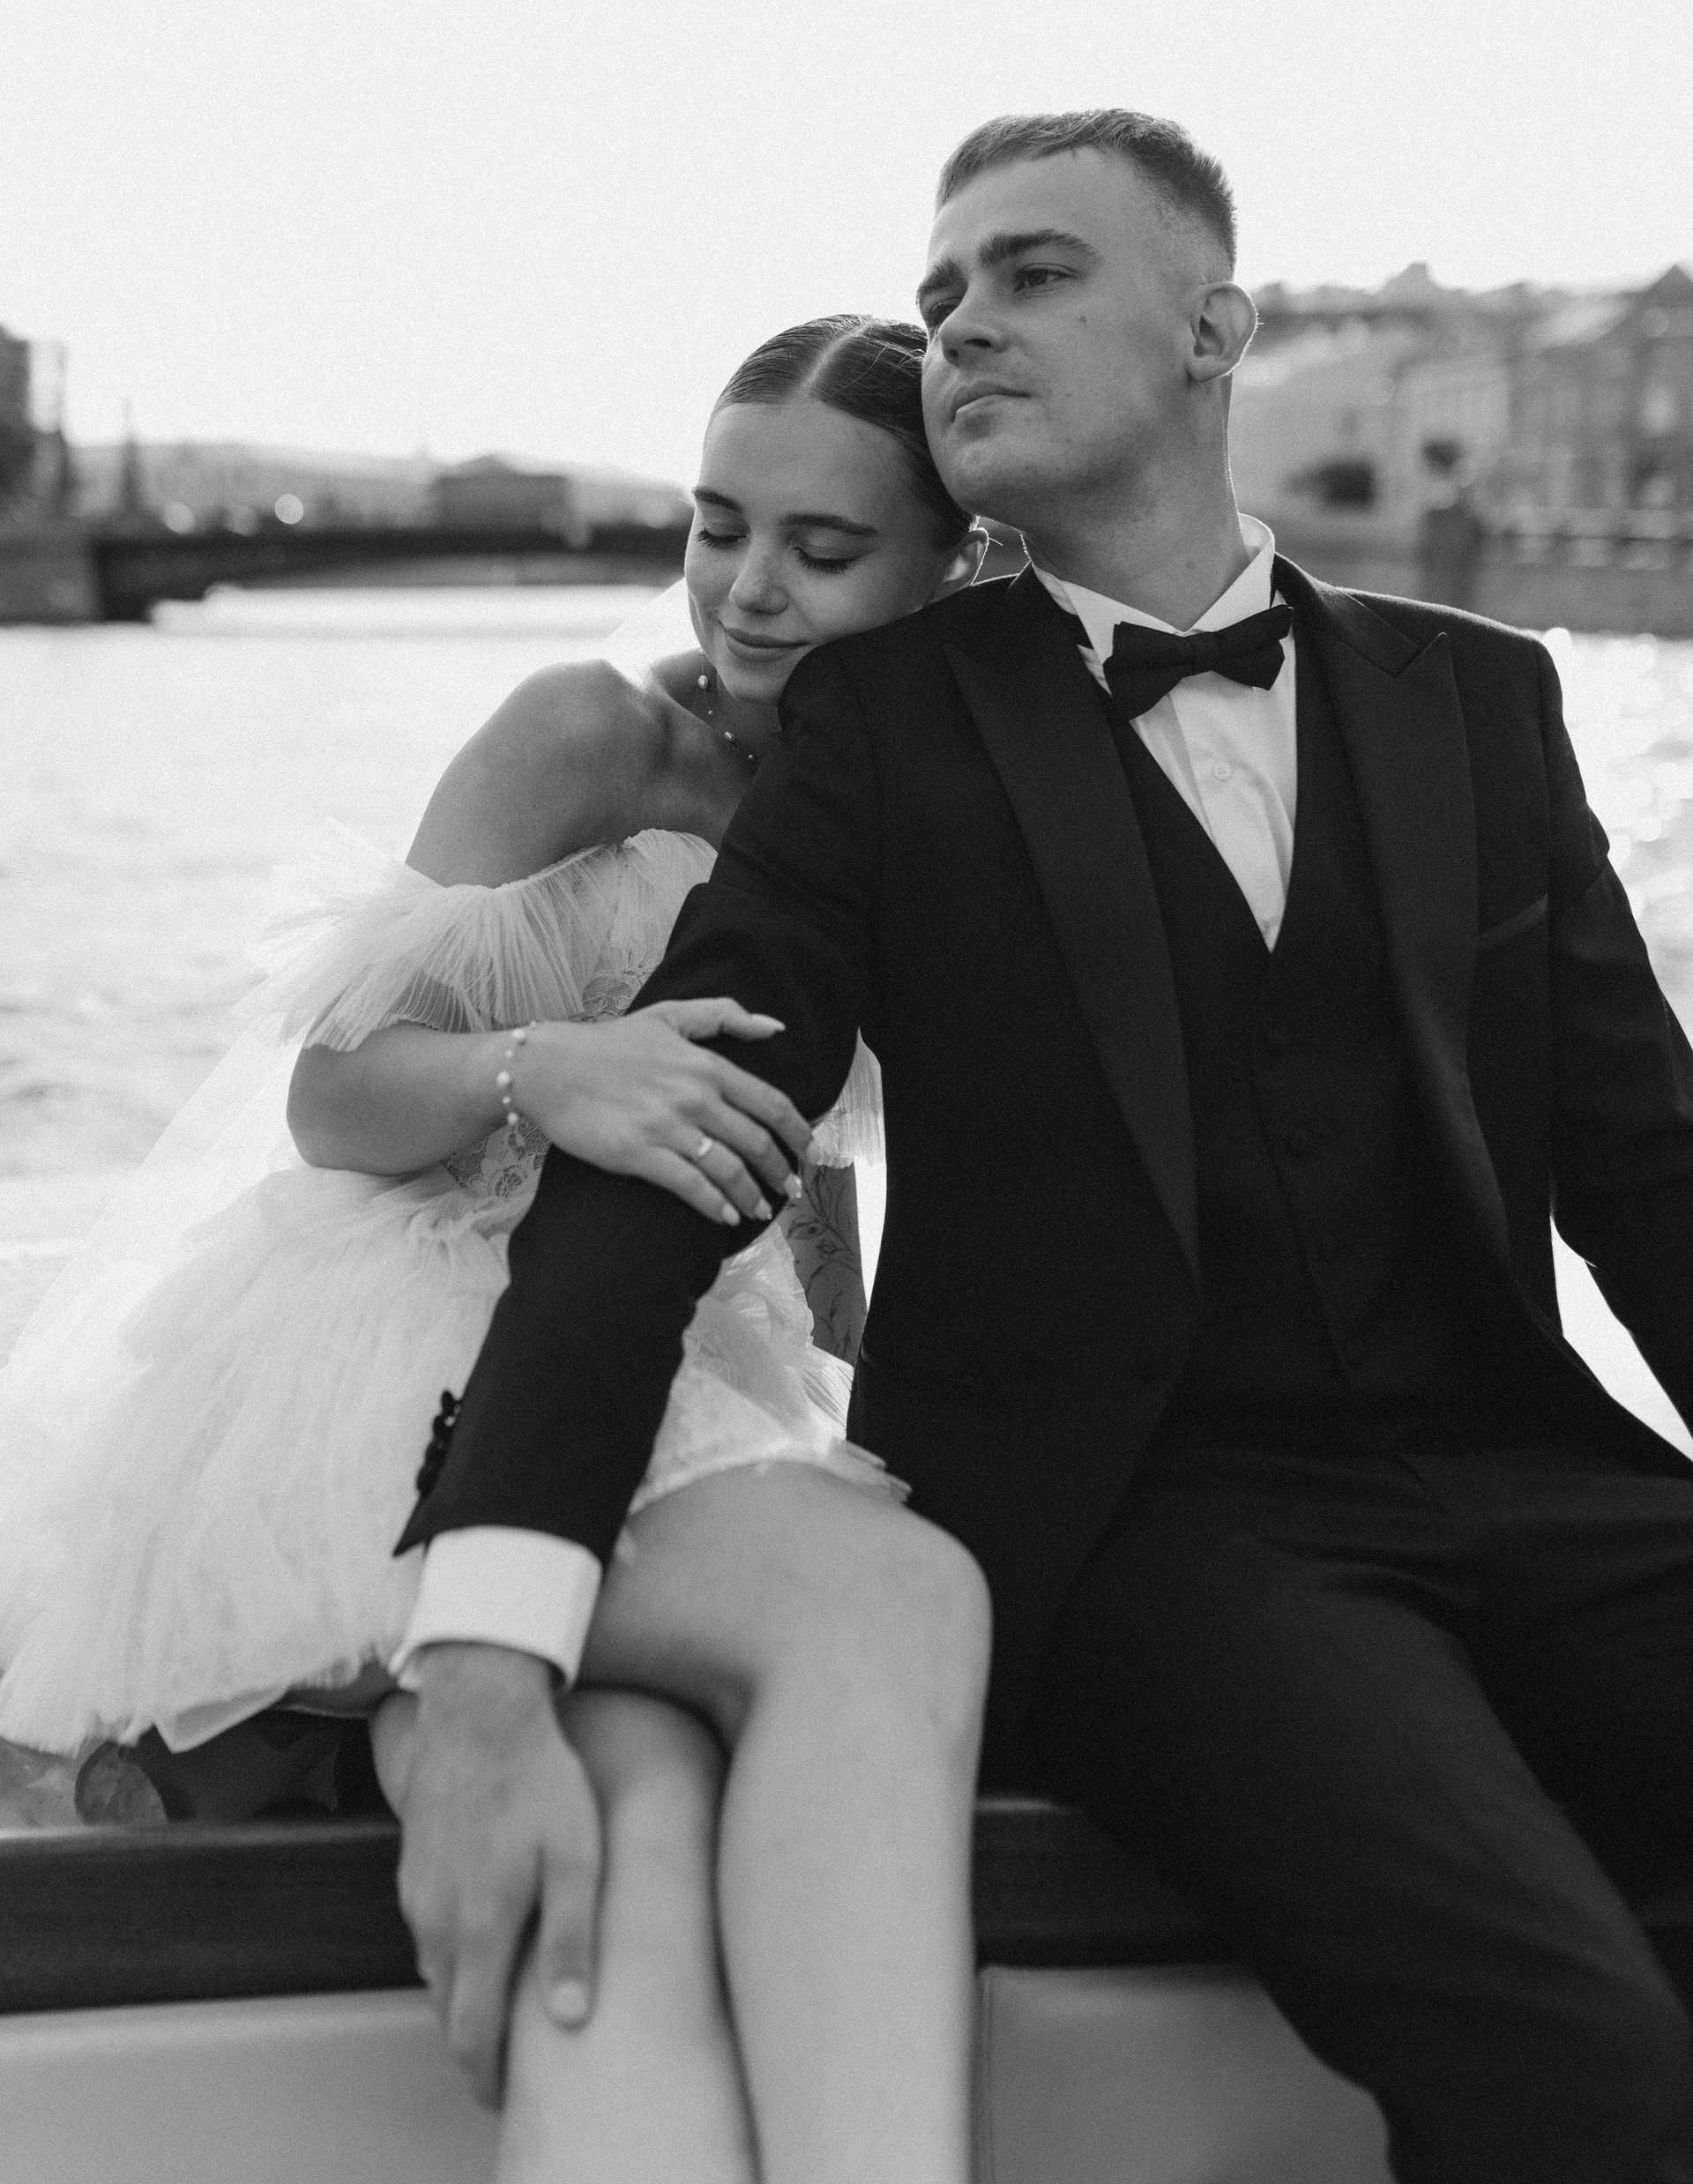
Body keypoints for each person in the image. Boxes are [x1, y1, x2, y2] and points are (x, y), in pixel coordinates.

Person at [397, 110, 1693, 2184]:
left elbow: (1651, 1169)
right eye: (939, 298)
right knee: (1587, 2059)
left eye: (1032, 273)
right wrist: (484, 1655)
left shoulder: (1481, 698)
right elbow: (674, 1153)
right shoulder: (880, 724)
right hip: (1156, 1541)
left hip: (1536, 1479)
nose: (963, 327)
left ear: (1215, 330)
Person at [0, 315, 991, 2184]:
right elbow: (331, 1092)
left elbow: (796, 1153)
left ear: (956, 566)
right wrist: (551, 1067)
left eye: (820, 547)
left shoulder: (890, 794)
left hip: (686, 1363)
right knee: (848, 1626)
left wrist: (851, 1374)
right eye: (716, 524)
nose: (745, 588)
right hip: (414, 1345)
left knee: (642, 1801)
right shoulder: (588, 734)